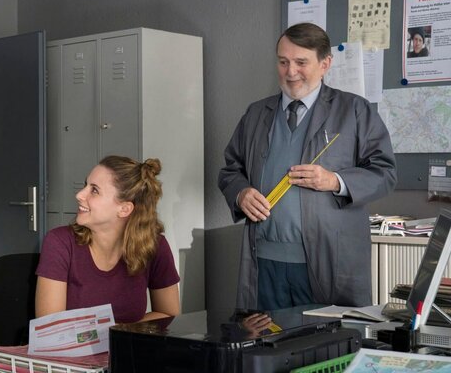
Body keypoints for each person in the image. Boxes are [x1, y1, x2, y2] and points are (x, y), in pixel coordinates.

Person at [218, 23, 396, 311]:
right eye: (283, 61)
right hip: (265, 262)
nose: (290, 72)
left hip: (328, 261)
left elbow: (385, 172)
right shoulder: (255, 114)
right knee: (265, 346)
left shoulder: (354, 110)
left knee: (326, 346)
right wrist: (241, 193)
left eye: (301, 62)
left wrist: (336, 181)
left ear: (325, 64)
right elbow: (230, 169)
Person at [35, 156, 180, 323]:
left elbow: (168, 313)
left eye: (94, 190)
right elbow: (50, 327)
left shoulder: (155, 247)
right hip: (69, 350)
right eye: (85, 185)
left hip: (126, 348)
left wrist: (121, 335)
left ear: (124, 209)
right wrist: (112, 335)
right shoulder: (59, 242)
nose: (79, 195)